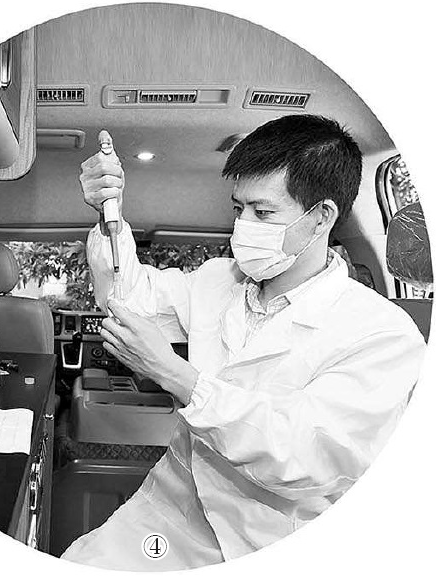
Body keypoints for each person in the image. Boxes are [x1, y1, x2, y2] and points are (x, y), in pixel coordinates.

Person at [61, 115, 426, 570]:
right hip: (171, 510)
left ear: (322, 218)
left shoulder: (383, 334)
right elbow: (129, 298)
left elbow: (308, 454)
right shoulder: (218, 281)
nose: (243, 227)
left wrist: (177, 376)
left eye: (263, 213)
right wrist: (108, 214)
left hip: (272, 538)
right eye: (238, 209)